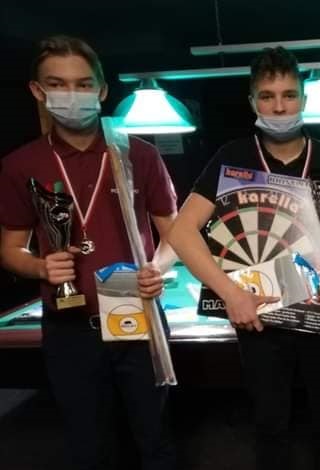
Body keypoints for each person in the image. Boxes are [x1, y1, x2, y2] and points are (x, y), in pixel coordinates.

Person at [167, 46, 320, 470]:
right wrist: (231, 294)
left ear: (303, 99)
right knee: (270, 428)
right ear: (252, 102)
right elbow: (182, 232)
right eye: (267, 96)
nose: (279, 107)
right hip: (260, 320)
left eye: (289, 95)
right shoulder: (231, 158)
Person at [0, 36, 177, 469]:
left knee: (154, 440)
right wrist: (40, 266)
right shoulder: (21, 165)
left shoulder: (139, 154)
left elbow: (175, 236)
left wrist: (157, 265)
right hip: (70, 328)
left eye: (82, 84)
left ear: (101, 90)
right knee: (88, 447)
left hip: (139, 318)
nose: (71, 94)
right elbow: (10, 250)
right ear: (37, 91)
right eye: (57, 84)